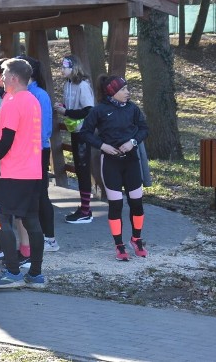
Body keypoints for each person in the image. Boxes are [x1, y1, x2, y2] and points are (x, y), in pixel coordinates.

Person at [0, 58, 47, 290]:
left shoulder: (11, 101)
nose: (1, 77)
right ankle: (36, 275)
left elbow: (6, 139)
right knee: (31, 220)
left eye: (5, 74)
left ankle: (12, 272)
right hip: (33, 171)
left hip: (14, 172)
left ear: (14, 78)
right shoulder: (33, 100)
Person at [79, 75, 149, 261]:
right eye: (123, 89)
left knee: (137, 204)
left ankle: (137, 239)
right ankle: (119, 245)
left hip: (131, 161)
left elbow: (144, 129)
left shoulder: (133, 108)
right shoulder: (99, 110)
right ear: (112, 92)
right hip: (111, 163)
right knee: (116, 205)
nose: (128, 92)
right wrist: (103, 146)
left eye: (127, 89)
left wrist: (133, 142)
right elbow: (85, 132)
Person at [17, 55, 58, 253]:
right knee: (33, 195)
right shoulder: (23, 93)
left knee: (41, 194)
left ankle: (50, 238)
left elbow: (43, 129)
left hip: (38, 150)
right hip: (30, 151)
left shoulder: (39, 95)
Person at [54, 55, 95, 224]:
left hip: (83, 132)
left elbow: (88, 110)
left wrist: (66, 112)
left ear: (74, 68)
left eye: (65, 67)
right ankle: (84, 207)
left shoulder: (83, 85)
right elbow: (71, 106)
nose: (62, 70)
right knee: (79, 168)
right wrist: (63, 108)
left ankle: (86, 211)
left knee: (83, 168)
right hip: (74, 130)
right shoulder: (68, 84)